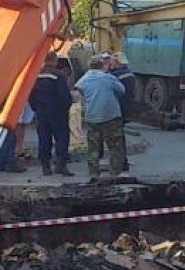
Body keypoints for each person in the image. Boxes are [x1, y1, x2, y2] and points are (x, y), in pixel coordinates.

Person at [72, 54, 126, 182]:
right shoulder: (109, 78)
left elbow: (75, 93)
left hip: (92, 117)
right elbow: (121, 90)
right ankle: (115, 172)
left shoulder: (83, 79)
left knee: (93, 147)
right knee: (116, 146)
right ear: (103, 65)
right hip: (111, 116)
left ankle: (94, 173)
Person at [29, 51, 74, 177]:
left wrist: (35, 107)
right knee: (62, 137)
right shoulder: (58, 75)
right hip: (57, 111)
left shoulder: (36, 75)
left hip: (41, 111)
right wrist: (66, 106)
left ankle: (45, 167)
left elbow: (30, 94)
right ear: (55, 61)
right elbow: (63, 95)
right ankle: (61, 165)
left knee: (43, 138)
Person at [106, 51, 136, 172]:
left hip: (116, 109)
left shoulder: (115, 76)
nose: (110, 63)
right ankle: (123, 162)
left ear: (117, 62)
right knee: (119, 137)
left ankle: (120, 163)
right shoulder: (129, 74)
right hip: (124, 109)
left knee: (115, 138)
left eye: (112, 61)